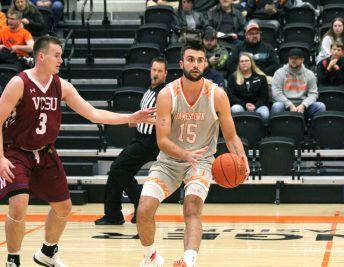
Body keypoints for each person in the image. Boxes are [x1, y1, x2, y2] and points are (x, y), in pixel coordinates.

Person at [0, 35, 156, 267]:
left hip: (45, 152)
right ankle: (13, 260)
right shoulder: (19, 83)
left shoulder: (61, 85)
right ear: (41, 57)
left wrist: (130, 117)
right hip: (16, 151)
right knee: (19, 203)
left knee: (64, 207)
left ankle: (48, 252)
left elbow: (93, 114)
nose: (61, 60)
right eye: (57, 55)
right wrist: (0, 158)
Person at [136, 43, 249, 267]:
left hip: (202, 161)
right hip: (169, 161)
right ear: (181, 64)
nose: (195, 64)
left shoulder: (217, 94)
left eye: (199, 60)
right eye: (190, 59)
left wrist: (241, 158)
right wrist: (186, 154)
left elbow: (231, 136)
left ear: (205, 63)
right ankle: (152, 257)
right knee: (143, 210)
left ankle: (188, 260)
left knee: (192, 207)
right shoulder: (167, 94)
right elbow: (162, 141)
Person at [94, 57, 167, 226]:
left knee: (118, 168)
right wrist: (137, 120)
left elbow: (164, 118)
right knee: (116, 172)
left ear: (165, 74)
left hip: (150, 141)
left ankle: (141, 207)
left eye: (159, 71)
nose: (155, 73)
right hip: (140, 138)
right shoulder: (149, 90)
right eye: (154, 70)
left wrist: (141, 121)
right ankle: (113, 214)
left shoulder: (163, 94)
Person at [271, 48, 326, 118]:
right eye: (291, 58)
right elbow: (276, 93)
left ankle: (312, 128)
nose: (293, 60)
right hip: (285, 104)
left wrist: (304, 105)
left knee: (320, 106)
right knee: (277, 106)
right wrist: (290, 105)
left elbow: (313, 94)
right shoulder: (279, 73)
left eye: (296, 58)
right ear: (288, 59)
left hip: (303, 105)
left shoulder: (309, 74)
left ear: (302, 60)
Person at [227, 52, 270, 122]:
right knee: (235, 109)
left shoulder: (261, 77)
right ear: (239, 64)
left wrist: (255, 106)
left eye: (246, 61)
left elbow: (264, 96)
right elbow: (231, 96)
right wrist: (245, 104)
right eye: (241, 61)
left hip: (258, 105)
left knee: (265, 114)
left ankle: (262, 132)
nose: (244, 63)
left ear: (251, 62)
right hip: (240, 105)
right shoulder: (233, 77)